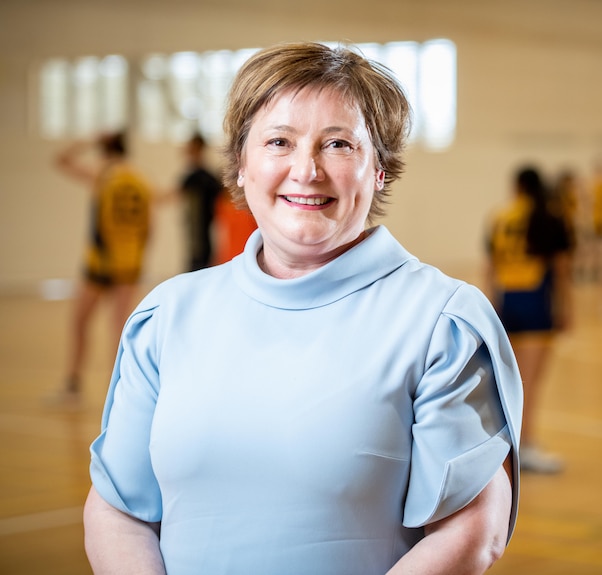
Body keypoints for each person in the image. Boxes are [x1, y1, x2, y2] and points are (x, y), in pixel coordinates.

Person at [83, 42, 522, 575]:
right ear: (241, 166)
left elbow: (473, 531)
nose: (306, 170)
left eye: (337, 144)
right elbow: (117, 508)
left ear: (379, 170)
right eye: (279, 142)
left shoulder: (441, 323)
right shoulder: (168, 316)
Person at [51, 131, 151, 406]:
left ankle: (73, 385)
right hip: (129, 263)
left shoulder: (104, 175)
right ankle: (122, 393)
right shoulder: (138, 179)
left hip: (100, 261)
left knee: (80, 321)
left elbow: (60, 160)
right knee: (119, 330)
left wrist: (87, 140)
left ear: (103, 149)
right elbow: (149, 226)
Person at [487, 167, 573, 474]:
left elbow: (491, 266)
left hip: (507, 302)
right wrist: (566, 309)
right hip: (536, 303)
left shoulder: (500, 217)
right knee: (529, 382)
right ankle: (526, 446)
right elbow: (562, 270)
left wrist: (492, 306)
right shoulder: (549, 217)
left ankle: (502, 447)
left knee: (507, 382)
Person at [177, 133, 223, 271]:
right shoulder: (195, 177)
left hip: (203, 235)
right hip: (196, 235)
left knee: (200, 263)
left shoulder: (206, 178)